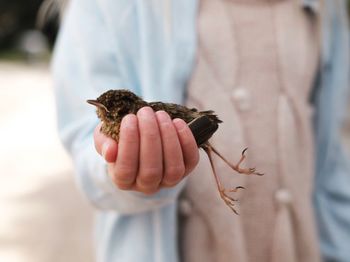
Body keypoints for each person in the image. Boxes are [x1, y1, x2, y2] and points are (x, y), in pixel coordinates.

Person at [52, 0, 350, 261]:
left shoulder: (324, 8)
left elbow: (330, 163)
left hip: (300, 249)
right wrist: (117, 170)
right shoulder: (107, 6)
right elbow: (85, 149)